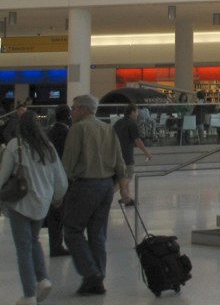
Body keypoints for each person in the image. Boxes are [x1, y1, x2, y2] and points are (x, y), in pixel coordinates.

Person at [61, 93, 130, 296]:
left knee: (72, 230)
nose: (72, 111)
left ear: (83, 109)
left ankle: (91, 274)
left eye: (74, 108)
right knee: (97, 234)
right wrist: (123, 187)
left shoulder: (78, 128)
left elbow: (69, 161)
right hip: (106, 187)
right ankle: (98, 276)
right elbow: (120, 160)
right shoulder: (107, 128)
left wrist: (61, 189)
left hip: (85, 186)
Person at [1, 110, 68, 305]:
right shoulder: (48, 148)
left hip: (20, 203)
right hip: (42, 204)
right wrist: (57, 197)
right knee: (33, 240)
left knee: (23, 248)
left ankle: (29, 294)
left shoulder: (16, 145)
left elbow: (3, 175)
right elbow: (60, 179)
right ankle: (43, 279)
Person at [112, 103, 152, 206]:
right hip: (126, 154)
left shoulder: (118, 123)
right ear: (132, 112)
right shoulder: (132, 124)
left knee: (122, 176)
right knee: (128, 176)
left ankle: (127, 199)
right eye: (137, 111)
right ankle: (109, 193)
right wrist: (147, 153)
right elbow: (137, 141)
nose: (138, 114)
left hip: (116, 153)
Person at [45, 105, 72, 258]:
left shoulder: (50, 132)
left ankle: (55, 244)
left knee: (55, 213)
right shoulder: (66, 133)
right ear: (67, 116)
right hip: (63, 178)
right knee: (60, 213)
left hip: (51, 177)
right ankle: (57, 246)